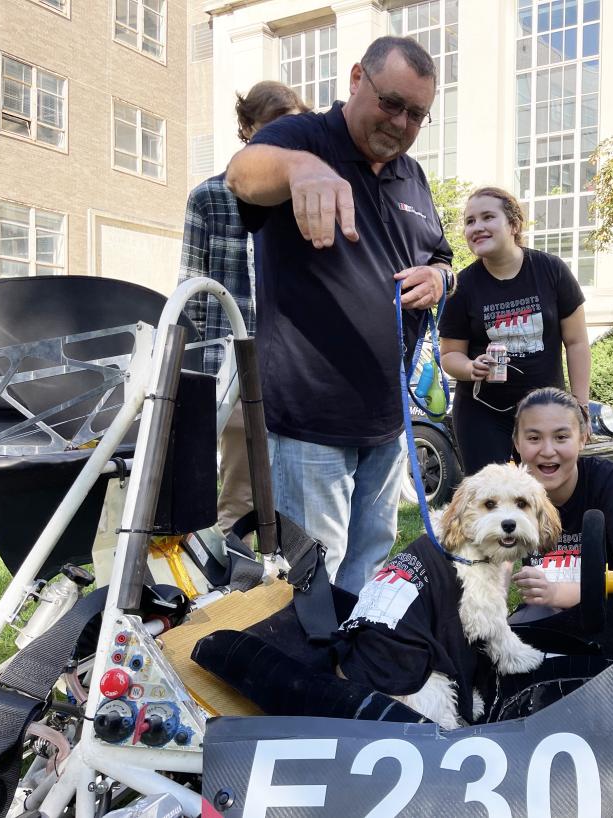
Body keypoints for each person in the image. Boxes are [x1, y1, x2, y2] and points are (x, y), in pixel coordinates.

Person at [225, 37, 455, 594]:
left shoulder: (413, 177)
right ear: (357, 79)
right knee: (309, 577)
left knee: (370, 565)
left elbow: (442, 255)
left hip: (388, 417)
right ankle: (310, 671)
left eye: (417, 115)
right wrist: (301, 171)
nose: (401, 124)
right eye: (391, 103)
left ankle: (354, 664)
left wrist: (441, 278)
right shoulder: (304, 138)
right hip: (312, 421)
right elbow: (243, 172)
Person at [178, 81, 309, 538]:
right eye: (274, 124)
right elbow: (191, 287)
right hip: (231, 357)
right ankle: (230, 574)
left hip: (291, 358)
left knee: (289, 471)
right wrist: (200, 364)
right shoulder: (209, 197)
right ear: (248, 126)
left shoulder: (303, 195)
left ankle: (281, 566)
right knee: (239, 473)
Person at [438, 187, 591, 475]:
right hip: (482, 413)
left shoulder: (551, 270)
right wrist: (471, 367)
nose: (477, 227)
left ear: (514, 224)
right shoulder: (462, 287)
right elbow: (449, 356)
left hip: (545, 411)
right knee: (490, 498)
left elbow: (576, 343)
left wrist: (580, 405)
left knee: (547, 496)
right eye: (470, 221)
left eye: (487, 217)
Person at [510, 388, 613, 609]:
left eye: (561, 437)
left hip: (610, 613)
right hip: (544, 615)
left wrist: (558, 593)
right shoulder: (512, 492)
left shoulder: (610, 482)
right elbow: (495, 569)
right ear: (517, 443)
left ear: (582, 439)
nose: (547, 450)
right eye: (534, 438)